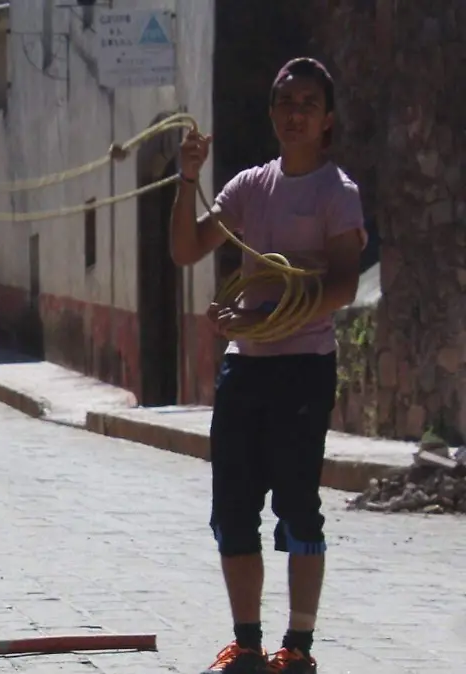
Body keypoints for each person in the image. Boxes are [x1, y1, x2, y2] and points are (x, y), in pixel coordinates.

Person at [170, 58, 366, 674]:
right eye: (285, 100)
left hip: (304, 365)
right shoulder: (250, 186)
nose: (294, 111)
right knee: (232, 506)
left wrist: (276, 311)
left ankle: (298, 647)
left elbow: (342, 285)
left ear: (326, 118)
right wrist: (186, 178)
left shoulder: (338, 193)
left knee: (299, 504)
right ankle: (247, 643)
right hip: (245, 367)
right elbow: (184, 250)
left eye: (308, 102)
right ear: (273, 112)